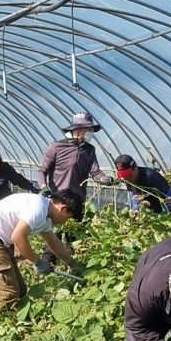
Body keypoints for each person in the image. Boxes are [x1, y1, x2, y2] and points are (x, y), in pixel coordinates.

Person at [0, 190, 85, 326]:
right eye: (68, 218)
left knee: (20, 290)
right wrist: (37, 261)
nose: (65, 222)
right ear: (63, 209)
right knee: (8, 292)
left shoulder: (45, 213)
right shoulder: (39, 208)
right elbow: (17, 237)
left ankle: (17, 326)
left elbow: (53, 242)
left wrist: (72, 264)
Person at [36, 112, 110, 266]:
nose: (90, 133)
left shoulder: (89, 150)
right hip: (57, 201)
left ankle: (73, 268)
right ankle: (48, 269)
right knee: (52, 235)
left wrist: (104, 179)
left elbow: (95, 171)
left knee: (73, 237)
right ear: (77, 129)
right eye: (88, 129)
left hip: (77, 202)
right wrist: (44, 188)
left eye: (91, 130)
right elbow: (42, 170)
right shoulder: (56, 147)